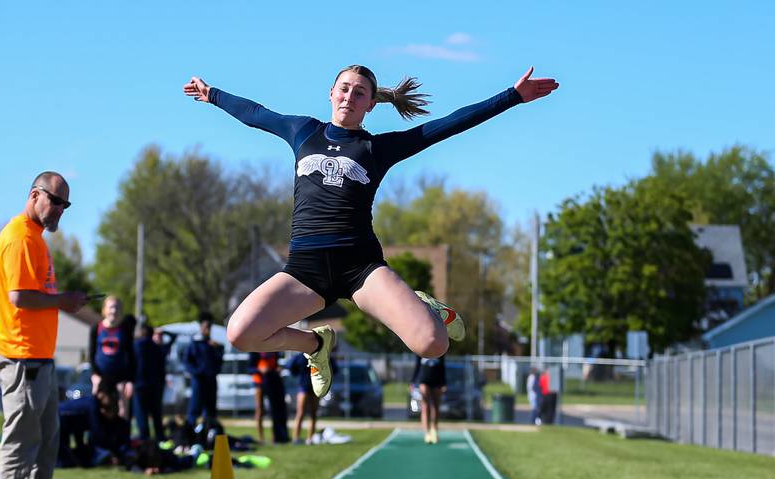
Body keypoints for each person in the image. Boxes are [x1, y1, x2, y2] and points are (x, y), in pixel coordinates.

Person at [184, 65, 558, 398]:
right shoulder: (302, 131)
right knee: (240, 333)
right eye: (344, 88)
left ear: (370, 105)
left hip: (361, 268)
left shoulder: (377, 148)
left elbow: (449, 125)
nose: (349, 95)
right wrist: (212, 95)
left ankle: (424, 305)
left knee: (433, 344)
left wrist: (512, 97)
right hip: (304, 270)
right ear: (331, 93)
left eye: (359, 92)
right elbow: (254, 114)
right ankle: (315, 344)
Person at [0, 171, 87, 479]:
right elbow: (20, 297)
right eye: (56, 201)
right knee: (22, 437)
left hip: (37, 357)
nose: (61, 209)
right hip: (21, 356)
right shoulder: (20, 239)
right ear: (35, 195)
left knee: (45, 439)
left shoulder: (35, 238)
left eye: (66, 204)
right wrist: (63, 300)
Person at [89, 296, 135, 419]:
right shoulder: (96, 328)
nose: (114, 311)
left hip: (120, 377)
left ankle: (122, 437)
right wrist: (94, 375)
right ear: (104, 309)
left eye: (117, 308)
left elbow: (131, 356)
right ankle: (97, 437)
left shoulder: (125, 329)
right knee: (97, 408)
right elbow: (91, 353)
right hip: (101, 376)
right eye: (111, 307)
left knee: (122, 410)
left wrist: (130, 380)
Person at [183, 311, 224, 438]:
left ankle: (209, 434)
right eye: (206, 327)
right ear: (201, 327)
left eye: (209, 327)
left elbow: (219, 360)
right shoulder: (194, 343)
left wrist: (218, 348)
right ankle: (190, 435)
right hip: (199, 381)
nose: (207, 330)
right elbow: (187, 362)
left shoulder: (213, 345)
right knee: (194, 409)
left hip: (211, 380)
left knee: (211, 410)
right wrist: (197, 372)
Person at [249, 352, 289, 444]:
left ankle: (276, 436)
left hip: (271, 381)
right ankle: (261, 438)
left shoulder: (274, 350)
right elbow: (250, 368)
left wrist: (277, 368)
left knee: (275, 410)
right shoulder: (255, 350)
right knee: (259, 410)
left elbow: (275, 365)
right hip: (259, 382)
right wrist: (259, 369)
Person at [411, 355, 447, 444]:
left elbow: (442, 367)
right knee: (425, 406)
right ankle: (426, 432)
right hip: (424, 380)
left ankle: (434, 430)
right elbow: (417, 366)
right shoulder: (421, 349)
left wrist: (444, 383)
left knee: (435, 406)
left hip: (437, 381)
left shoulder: (439, 349)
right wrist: (412, 381)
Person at [286, 352, 318, 444]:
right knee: (300, 413)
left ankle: (310, 439)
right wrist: (296, 373)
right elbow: (290, 366)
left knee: (313, 414)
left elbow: (332, 367)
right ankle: (296, 438)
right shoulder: (301, 356)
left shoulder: (318, 356)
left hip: (315, 387)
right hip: (303, 387)